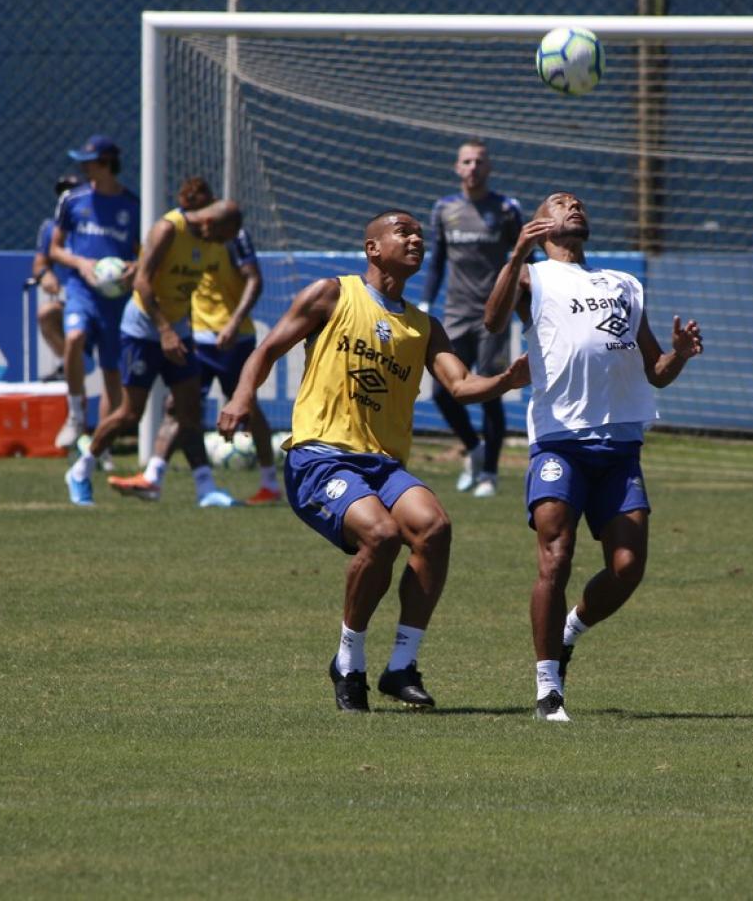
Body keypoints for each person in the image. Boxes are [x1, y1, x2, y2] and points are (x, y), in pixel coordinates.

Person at [217, 210, 529, 713]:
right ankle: (349, 661)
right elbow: (266, 349)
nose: (415, 239)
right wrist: (240, 398)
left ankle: (402, 665)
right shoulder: (332, 295)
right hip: (319, 457)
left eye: (420, 236)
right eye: (402, 232)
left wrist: (507, 381)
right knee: (381, 536)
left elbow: (462, 386)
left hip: (382, 465)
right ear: (372, 248)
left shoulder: (424, 326)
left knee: (434, 527)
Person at [483, 192, 704, 723]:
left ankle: (569, 631)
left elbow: (656, 371)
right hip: (560, 441)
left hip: (621, 446)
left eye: (578, 203)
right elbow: (492, 323)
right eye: (560, 203)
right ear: (541, 222)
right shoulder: (534, 276)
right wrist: (515, 254)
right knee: (555, 559)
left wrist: (680, 354)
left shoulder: (624, 283)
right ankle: (547, 689)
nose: (573, 208)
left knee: (627, 569)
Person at [107, 177, 282, 505]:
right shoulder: (181, 233)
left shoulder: (233, 235)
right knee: (178, 406)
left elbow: (254, 280)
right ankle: (155, 476)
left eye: (197, 199)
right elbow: (160, 275)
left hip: (232, 337)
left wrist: (232, 321)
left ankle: (269, 482)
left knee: (246, 407)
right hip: (195, 334)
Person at [63, 196, 241, 509]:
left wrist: (183, 330)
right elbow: (143, 284)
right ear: (210, 223)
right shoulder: (168, 229)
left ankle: (205, 488)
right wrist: (165, 331)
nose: (220, 244)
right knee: (130, 413)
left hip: (178, 330)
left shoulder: (209, 243)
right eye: (221, 236)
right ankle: (80, 471)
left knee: (189, 412)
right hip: (143, 330)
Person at [422, 139, 524, 498]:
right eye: (466, 161)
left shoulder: (507, 209)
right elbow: (436, 261)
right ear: (457, 167)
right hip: (454, 314)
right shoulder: (444, 209)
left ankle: (490, 476)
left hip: (493, 317)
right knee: (440, 389)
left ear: (489, 167)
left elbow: (524, 260)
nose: (473, 167)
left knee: (491, 391)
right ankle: (474, 448)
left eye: (479, 161)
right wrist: (424, 303)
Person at [48, 134, 140, 452]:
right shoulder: (72, 201)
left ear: (107, 164)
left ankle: (102, 446)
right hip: (80, 289)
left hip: (116, 299)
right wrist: (81, 263)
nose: (85, 169)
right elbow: (55, 249)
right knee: (74, 337)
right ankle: (75, 414)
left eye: (90, 162)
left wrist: (134, 268)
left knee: (112, 373)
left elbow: (143, 254)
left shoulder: (132, 205)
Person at [30, 174, 80, 382]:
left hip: (101, 298)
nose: (66, 196)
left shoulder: (96, 225)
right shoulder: (51, 228)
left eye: (72, 191)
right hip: (71, 300)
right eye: (62, 192)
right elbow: (40, 264)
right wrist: (45, 275)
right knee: (47, 314)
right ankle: (66, 366)